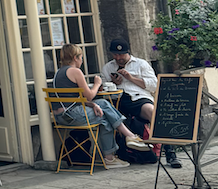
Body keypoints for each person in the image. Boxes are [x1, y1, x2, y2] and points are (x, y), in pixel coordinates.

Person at [54, 43, 152, 164]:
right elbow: (89, 95)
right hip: (71, 115)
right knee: (104, 107)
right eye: (81, 57)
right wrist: (97, 83)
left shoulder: (58, 73)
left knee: (103, 113)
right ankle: (127, 140)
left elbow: (76, 99)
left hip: (61, 116)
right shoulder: (75, 71)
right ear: (75, 58)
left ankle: (112, 155)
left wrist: (94, 105)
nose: (82, 60)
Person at [101, 37, 182, 169]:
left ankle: (170, 153)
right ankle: (115, 154)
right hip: (118, 99)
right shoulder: (108, 67)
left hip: (139, 98)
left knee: (153, 113)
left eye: (121, 54)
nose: (118, 57)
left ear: (128, 53)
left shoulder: (141, 64)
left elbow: (154, 85)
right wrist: (114, 84)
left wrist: (131, 78)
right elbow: (104, 87)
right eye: (115, 54)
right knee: (108, 114)